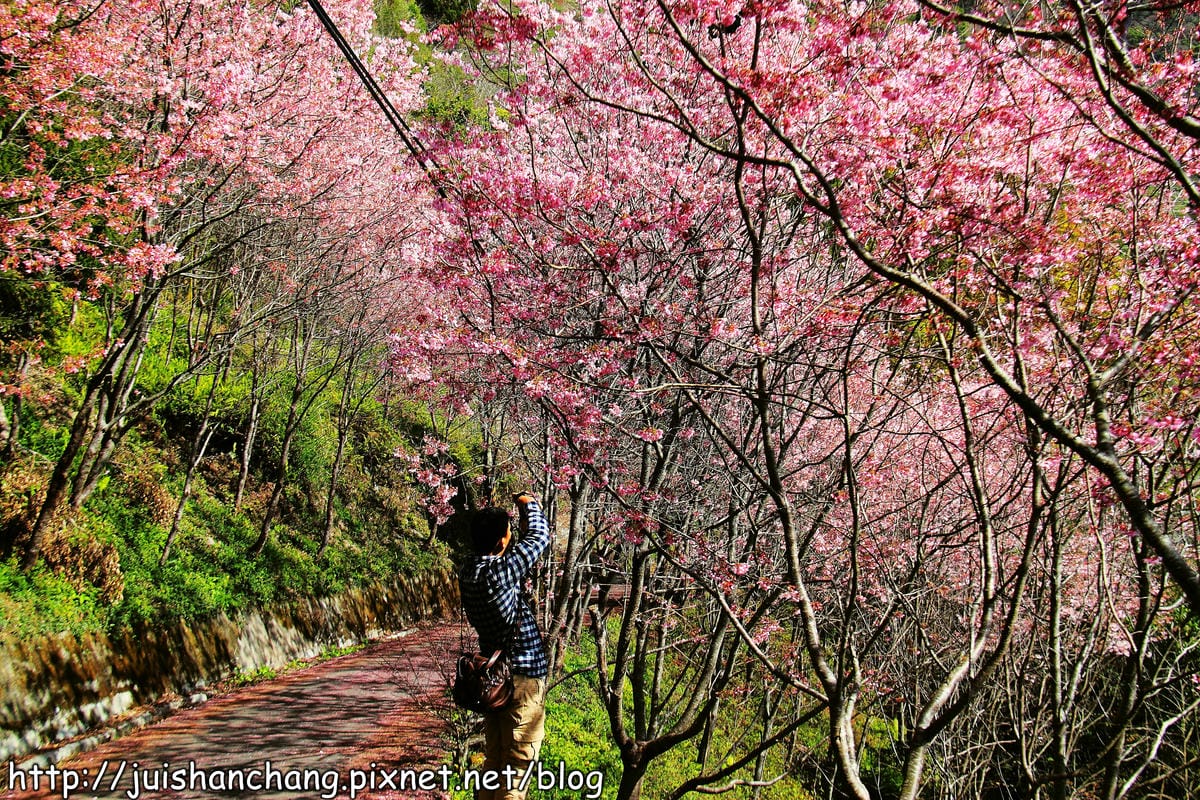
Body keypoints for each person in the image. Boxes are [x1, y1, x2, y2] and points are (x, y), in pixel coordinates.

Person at [459, 493, 551, 800]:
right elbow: (539, 537)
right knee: (517, 768)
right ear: (500, 541)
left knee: (495, 764)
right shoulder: (501, 571)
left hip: (494, 679)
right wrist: (529, 504)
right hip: (521, 678)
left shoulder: (468, 571)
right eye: (508, 533)